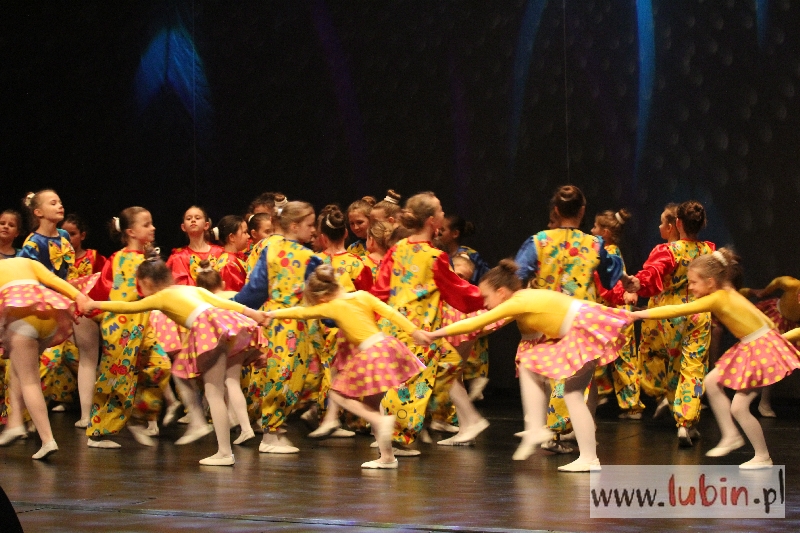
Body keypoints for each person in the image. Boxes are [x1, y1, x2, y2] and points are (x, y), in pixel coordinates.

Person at [420, 260, 631, 471]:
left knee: (569, 392)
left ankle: (579, 452)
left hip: (580, 330)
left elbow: (474, 323)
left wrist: (433, 334)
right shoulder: (522, 299)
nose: (484, 302)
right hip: (579, 327)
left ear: (501, 292)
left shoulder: (517, 302)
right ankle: (551, 436)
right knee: (540, 372)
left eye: (486, 297)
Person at [82, 249, 268, 466]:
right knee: (201, 382)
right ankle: (211, 437)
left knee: (212, 391)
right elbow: (225, 304)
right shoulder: (190, 288)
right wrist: (252, 313)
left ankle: (221, 449)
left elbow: (128, 307)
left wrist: (95, 304)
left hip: (207, 329)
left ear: (146, 282)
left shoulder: (160, 298)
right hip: (223, 323)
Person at [632, 249, 800, 469]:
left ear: (710, 282)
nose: (691, 287)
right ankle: (734, 437)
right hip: (755, 345)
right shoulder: (728, 291)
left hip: (758, 349)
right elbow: (764, 321)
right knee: (712, 383)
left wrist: (637, 314)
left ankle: (757, 453)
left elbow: (678, 310)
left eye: (694, 282)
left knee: (738, 407)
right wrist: (775, 340)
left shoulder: (718, 298)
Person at [265, 265, 427, 468]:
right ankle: (387, 457)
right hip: (386, 346)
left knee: (338, 394)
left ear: (322, 298)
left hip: (371, 352)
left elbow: (301, 312)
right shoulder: (362, 295)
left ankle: (378, 421)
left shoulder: (333, 306)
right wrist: (414, 331)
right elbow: (391, 313)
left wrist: (271, 314)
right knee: (371, 404)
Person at [371, 192, 487, 447]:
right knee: (407, 384)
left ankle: (466, 419)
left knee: (447, 365)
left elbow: (381, 289)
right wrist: (487, 298)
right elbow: (458, 291)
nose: (444, 214)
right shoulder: (434, 257)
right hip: (419, 333)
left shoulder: (398, 249)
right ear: (432, 220)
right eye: (441, 210)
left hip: (398, 327)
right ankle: (395, 438)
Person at [514, 185, 623, 453]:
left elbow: (518, 273)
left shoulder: (539, 241)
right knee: (571, 377)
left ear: (556, 210)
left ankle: (552, 430)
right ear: (582, 211)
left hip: (546, 316)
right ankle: (558, 432)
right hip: (579, 319)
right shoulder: (594, 243)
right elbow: (609, 276)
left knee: (547, 373)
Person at [621, 200, 714, 447]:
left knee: (673, 364)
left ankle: (677, 413)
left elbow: (653, 273)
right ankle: (686, 422)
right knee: (693, 367)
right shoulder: (708, 250)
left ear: (678, 223)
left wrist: (638, 283)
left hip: (672, 314)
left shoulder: (670, 251)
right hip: (699, 311)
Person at [234, 201, 321, 454]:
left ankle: (272, 428)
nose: (313, 230)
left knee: (282, 376)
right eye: (309, 225)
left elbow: (254, 291)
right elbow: (326, 296)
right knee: (285, 376)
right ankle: (270, 435)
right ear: (294, 226)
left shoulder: (270, 250)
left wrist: (235, 307)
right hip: (291, 324)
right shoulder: (309, 258)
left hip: (274, 322)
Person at [84, 208, 173, 447]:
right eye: (146, 224)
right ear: (131, 232)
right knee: (116, 379)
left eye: (151, 223)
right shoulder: (119, 258)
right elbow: (107, 290)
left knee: (160, 365)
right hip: (120, 327)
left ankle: (138, 415)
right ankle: (98, 432)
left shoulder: (148, 259)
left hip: (142, 325)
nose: (152, 228)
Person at [0, 258, 90, 459]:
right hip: (49, 314)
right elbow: (53, 280)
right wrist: (80, 297)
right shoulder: (25, 261)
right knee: (18, 368)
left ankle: (47, 439)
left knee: (29, 380)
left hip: (21, 317)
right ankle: (15, 422)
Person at [589, 208, 643, 419]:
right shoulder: (609, 251)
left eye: (595, 227)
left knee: (621, 358)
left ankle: (629, 404)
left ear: (605, 232)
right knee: (603, 355)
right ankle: (611, 395)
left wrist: (622, 296)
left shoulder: (609, 253)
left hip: (614, 312)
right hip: (609, 310)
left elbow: (609, 285)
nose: (592, 230)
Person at [739, 275, 800, 418]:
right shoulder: (792, 284)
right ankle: (751, 399)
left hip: (791, 326)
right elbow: (778, 281)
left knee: (777, 364)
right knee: (767, 360)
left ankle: (763, 401)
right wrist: (765, 291)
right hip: (775, 319)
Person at [166, 206, 223, 286]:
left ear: (206, 225)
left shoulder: (220, 252)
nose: (193, 220)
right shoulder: (178, 257)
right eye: (189, 218)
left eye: (197, 218)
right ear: (183, 227)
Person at [62, 213, 107, 279]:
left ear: (82, 236)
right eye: (64, 234)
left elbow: (105, 280)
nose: (68, 238)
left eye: (72, 234)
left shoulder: (95, 258)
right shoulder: (57, 259)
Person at [212, 215, 249, 292]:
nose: (248, 236)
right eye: (244, 232)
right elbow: (232, 295)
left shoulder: (235, 257)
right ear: (232, 237)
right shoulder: (228, 265)